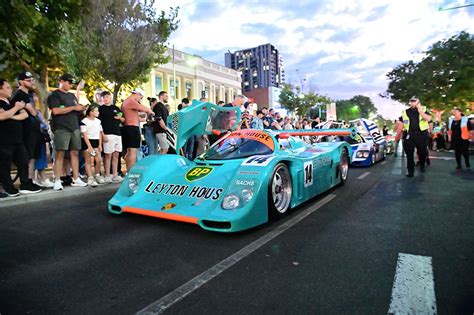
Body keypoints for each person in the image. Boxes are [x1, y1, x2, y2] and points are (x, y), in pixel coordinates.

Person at [0, 78, 42, 196]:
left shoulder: (12, 103)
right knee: (5, 164)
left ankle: (25, 184)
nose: (10, 90)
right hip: (4, 140)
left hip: (18, 139)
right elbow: (1, 117)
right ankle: (8, 187)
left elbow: (24, 115)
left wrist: (10, 114)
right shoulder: (14, 104)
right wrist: (15, 109)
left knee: (23, 161)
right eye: (7, 87)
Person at [47, 74, 88, 190]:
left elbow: (75, 109)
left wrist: (81, 109)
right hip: (61, 127)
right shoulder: (54, 95)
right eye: (69, 82)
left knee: (75, 154)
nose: (70, 85)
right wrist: (74, 108)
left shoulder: (72, 96)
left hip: (74, 126)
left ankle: (75, 178)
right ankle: (57, 180)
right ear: (61, 81)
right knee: (59, 154)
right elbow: (55, 111)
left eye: (72, 83)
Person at [11, 71, 43, 182]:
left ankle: (31, 180)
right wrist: (33, 109)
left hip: (33, 129)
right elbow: (34, 112)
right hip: (26, 130)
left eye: (31, 80)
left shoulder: (28, 95)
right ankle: (27, 181)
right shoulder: (19, 94)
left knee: (33, 156)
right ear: (20, 81)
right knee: (28, 157)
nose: (31, 82)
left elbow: (35, 111)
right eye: (28, 80)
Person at [121, 88, 154, 171]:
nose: (140, 99)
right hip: (132, 128)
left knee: (130, 151)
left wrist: (145, 117)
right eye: (141, 97)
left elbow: (135, 116)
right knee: (133, 151)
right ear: (138, 94)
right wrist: (151, 113)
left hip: (129, 127)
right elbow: (146, 109)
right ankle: (131, 172)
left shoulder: (127, 102)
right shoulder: (131, 101)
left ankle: (129, 171)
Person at [402, 96, 432, 177]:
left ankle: (422, 165)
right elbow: (402, 123)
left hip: (421, 135)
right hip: (410, 135)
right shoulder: (405, 112)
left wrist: (420, 111)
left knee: (422, 153)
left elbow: (429, 119)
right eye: (411, 101)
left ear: (419, 102)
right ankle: (410, 172)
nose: (413, 102)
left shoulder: (424, 109)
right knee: (409, 154)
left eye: (415, 101)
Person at [98, 91, 124, 182]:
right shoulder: (101, 109)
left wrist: (120, 118)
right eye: (104, 97)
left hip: (117, 133)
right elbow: (98, 123)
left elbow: (123, 118)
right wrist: (103, 135)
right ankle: (107, 174)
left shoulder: (116, 108)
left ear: (110, 97)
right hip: (108, 133)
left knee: (116, 154)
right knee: (108, 155)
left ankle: (115, 174)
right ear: (102, 99)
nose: (106, 99)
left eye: (107, 97)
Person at [81, 105, 105, 186]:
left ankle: (97, 174)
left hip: (96, 141)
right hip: (87, 141)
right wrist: (89, 146)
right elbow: (84, 134)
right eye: (96, 111)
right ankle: (90, 177)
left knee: (98, 160)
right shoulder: (84, 121)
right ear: (91, 112)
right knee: (88, 161)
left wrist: (100, 144)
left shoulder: (98, 121)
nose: (98, 112)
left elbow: (99, 133)